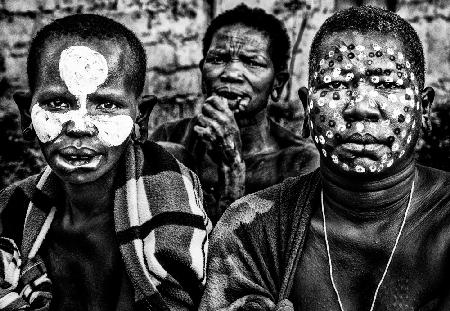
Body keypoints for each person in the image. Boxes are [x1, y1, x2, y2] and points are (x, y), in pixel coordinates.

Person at [200, 5, 450, 311]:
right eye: (335, 85)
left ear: (423, 109)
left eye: (386, 84)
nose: (361, 108)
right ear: (307, 110)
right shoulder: (250, 230)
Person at [0, 14, 210, 311]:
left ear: (141, 117)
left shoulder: (168, 209)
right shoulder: (11, 213)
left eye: (107, 105)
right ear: (26, 113)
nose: (80, 127)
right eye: (58, 103)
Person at [151, 4, 319, 224]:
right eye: (218, 59)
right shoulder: (170, 136)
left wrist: (232, 166)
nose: (231, 74)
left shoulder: (299, 162)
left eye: (252, 62)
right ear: (203, 74)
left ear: (277, 83)